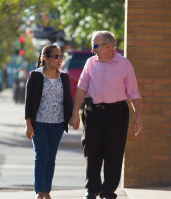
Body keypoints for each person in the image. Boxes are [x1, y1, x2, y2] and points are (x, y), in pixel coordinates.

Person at [70, 31, 143, 199]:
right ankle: (92, 190)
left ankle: (108, 191)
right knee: (92, 151)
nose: (92, 50)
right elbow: (81, 89)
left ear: (108, 47)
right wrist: (75, 114)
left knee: (114, 152)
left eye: (95, 45)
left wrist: (139, 116)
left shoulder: (124, 64)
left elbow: (133, 93)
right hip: (93, 113)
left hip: (117, 113)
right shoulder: (90, 63)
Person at [25, 44, 73, 199]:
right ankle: (39, 191)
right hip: (39, 123)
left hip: (57, 124)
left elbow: (68, 100)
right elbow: (29, 102)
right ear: (45, 58)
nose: (60, 59)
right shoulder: (35, 76)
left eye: (61, 56)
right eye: (56, 56)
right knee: (41, 156)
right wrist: (28, 124)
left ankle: (47, 191)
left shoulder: (64, 77)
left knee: (51, 157)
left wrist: (72, 117)